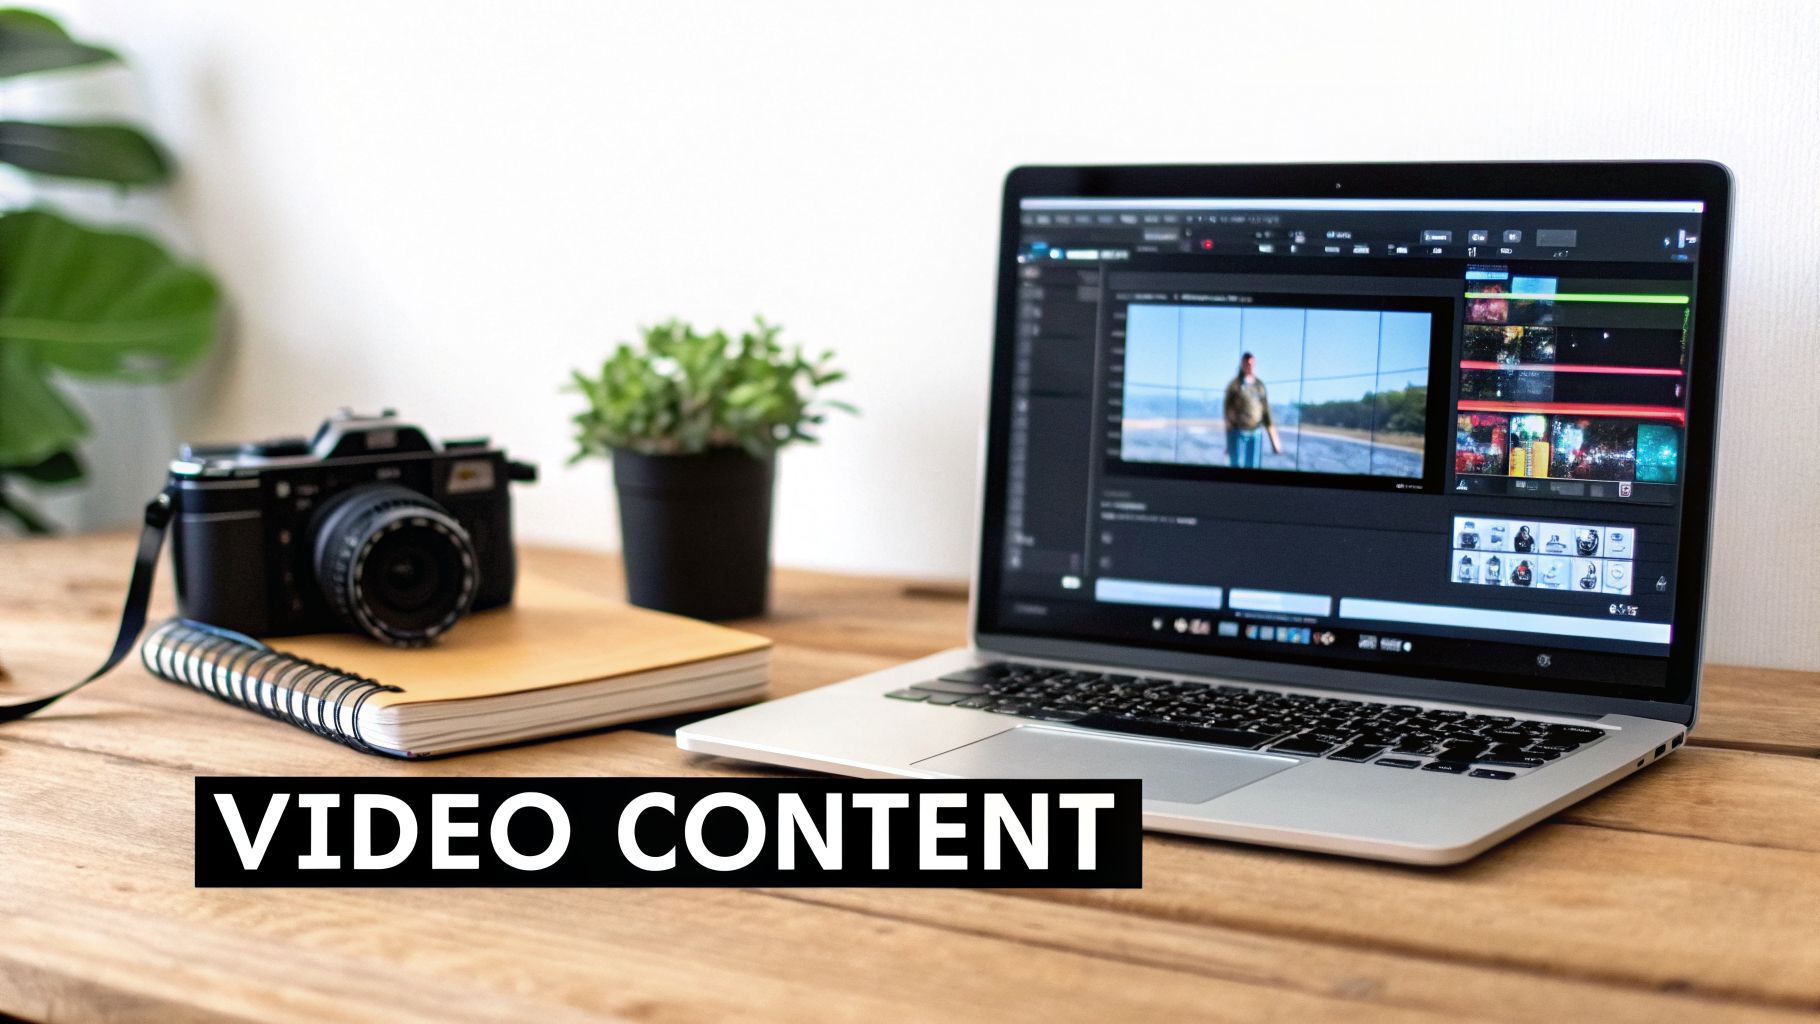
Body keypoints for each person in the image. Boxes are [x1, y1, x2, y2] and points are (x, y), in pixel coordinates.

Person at [1223, 352, 1283, 468]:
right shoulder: (1234, 386)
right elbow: (1228, 412)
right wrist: (1228, 440)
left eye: (1251, 364)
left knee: (1253, 468)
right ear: (1242, 364)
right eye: (1246, 364)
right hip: (1237, 432)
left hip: (1255, 432)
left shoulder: (1259, 385)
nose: (1249, 366)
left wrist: (1274, 440)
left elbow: (1266, 413)